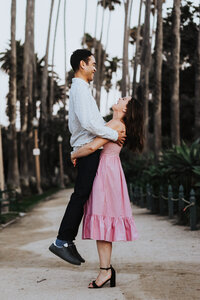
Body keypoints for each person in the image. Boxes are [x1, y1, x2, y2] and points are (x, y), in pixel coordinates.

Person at [49, 49, 126, 266]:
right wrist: (114, 135)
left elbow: (88, 123)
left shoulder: (81, 89)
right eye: (92, 63)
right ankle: (62, 241)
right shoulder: (80, 90)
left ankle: (66, 241)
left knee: (82, 196)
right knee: (80, 195)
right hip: (87, 148)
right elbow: (88, 123)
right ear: (82, 64)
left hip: (85, 147)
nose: (95, 68)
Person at [71, 95, 144, 288]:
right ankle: (106, 270)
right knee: (102, 223)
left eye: (124, 99)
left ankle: (105, 271)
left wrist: (74, 154)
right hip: (105, 171)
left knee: (103, 220)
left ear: (126, 110)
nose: (120, 98)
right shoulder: (111, 123)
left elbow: (94, 146)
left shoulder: (116, 125)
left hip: (105, 174)